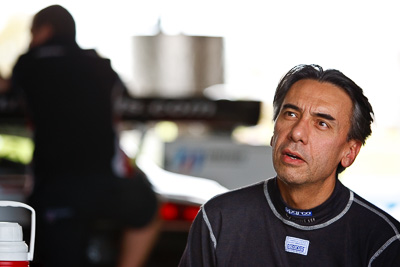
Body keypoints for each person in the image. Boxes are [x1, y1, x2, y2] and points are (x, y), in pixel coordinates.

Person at [179, 64, 400, 266]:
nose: (297, 133)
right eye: (291, 114)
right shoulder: (220, 219)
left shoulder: (383, 241)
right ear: (274, 132)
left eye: (321, 123)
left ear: (349, 152)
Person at [0, 5, 160, 267]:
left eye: (32, 33)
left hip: (57, 187)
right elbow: (130, 104)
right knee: (147, 208)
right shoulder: (101, 65)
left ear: (45, 30)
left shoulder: (30, 62)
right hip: (107, 184)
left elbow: (5, 89)